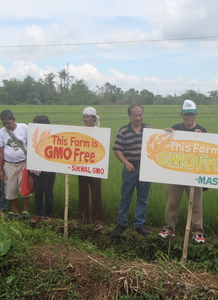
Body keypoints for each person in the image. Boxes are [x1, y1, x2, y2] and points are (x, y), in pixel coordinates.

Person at [158, 100, 206, 243]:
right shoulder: (175, 129)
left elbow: (207, 152)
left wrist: (201, 137)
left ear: (196, 114)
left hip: (194, 175)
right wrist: (167, 135)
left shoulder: (202, 131)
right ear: (181, 114)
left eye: (191, 114)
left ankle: (197, 232)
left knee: (196, 205)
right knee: (172, 203)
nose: (189, 117)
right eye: (186, 114)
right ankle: (169, 229)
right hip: (176, 174)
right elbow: (167, 147)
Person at [112, 104, 151, 236]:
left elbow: (159, 143)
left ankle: (139, 224)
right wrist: (126, 162)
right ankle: (121, 223)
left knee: (142, 198)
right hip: (130, 169)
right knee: (126, 197)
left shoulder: (148, 129)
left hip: (145, 169)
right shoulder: (123, 131)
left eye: (140, 114)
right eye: (135, 115)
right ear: (130, 116)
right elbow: (117, 150)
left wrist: (168, 132)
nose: (138, 117)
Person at [0, 110, 30, 219]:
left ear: (14, 119)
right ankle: (14, 211)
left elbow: (31, 145)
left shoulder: (24, 128)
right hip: (9, 165)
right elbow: (0, 151)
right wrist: (0, 170)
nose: (7, 125)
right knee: (11, 187)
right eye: (4, 123)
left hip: (23, 163)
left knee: (24, 187)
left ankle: (25, 210)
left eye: (9, 123)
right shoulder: (1, 132)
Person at [75, 107, 104, 231]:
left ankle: (98, 219)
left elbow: (102, 150)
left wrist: (97, 167)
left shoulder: (99, 132)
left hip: (95, 166)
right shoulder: (80, 131)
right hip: (82, 166)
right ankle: (83, 217)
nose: (85, 119)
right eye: (84, 116)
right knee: (82, 192)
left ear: (93, 118)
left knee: (96, 193)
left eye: (88, 117)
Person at [29, 115, 56, 223]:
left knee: (48, 192)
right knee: (38, 192)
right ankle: (38, 214)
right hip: (36, 170)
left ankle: (49, 215)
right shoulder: (33, 136)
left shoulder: (52, 135)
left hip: (49, 170)